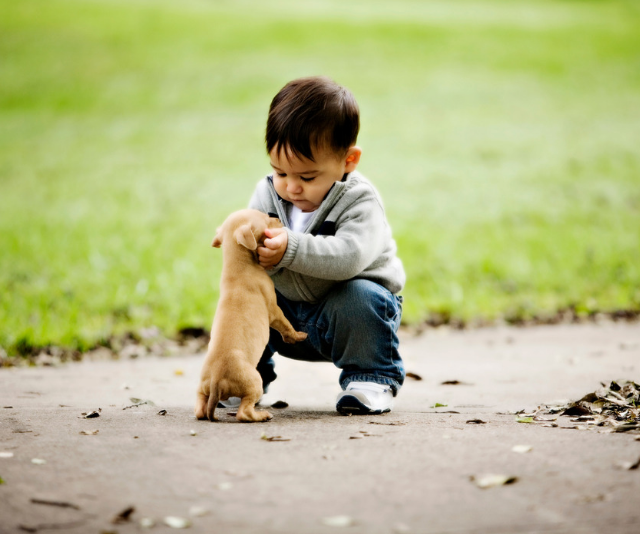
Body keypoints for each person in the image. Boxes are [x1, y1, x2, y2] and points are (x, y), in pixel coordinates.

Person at [235, 76, 405, 414]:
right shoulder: (267, 193)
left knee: (361, 297)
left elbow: (349, 257)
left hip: (344, 316)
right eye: (280, 172)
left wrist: (290, 249)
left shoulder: (359, 199)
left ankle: (371, 378)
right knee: (245, 294)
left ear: (348, 161)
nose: (291, 187)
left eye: (307, 177)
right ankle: (246, 376)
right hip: (284, 317)